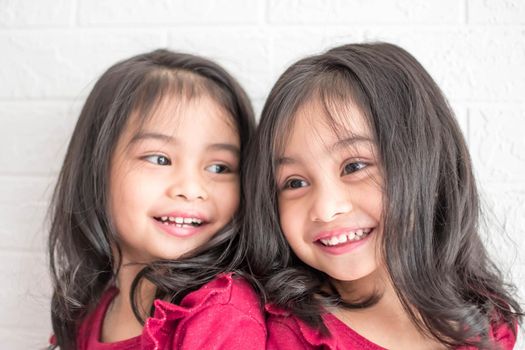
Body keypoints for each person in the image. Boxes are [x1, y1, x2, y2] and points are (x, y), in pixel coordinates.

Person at [243, 42, 522, 349]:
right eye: (294, 183)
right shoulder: (274, 334)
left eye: (354, 166)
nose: (325, 208)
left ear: (425, 163)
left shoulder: (489, 321)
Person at [47, 49, 264, 349]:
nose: (191, 188)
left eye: (219, 167)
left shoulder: (220, 312)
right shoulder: (88, 312)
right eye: (160, 159)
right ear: (95, 168)